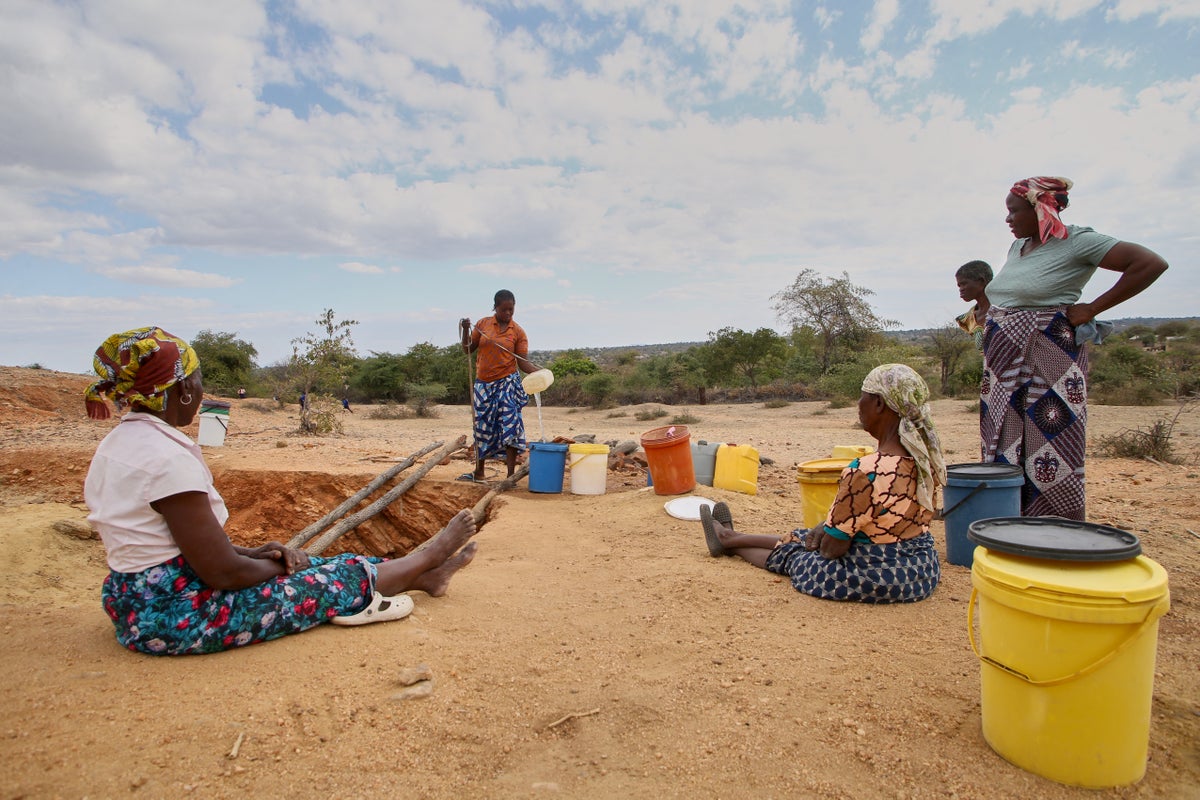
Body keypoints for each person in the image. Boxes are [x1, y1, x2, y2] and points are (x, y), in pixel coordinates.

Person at [83, 326, 479, 655]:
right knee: (328, 578)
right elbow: (223, 572)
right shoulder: (165, 459)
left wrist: (253, 553)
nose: (202, 391)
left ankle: (425, 575)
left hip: (137, 600)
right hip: (179, 614)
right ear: (182, 388)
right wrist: (277, 566)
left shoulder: (120, 444)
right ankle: (427, 557)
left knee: (317, 562)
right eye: (198, 380)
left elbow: (167, 543)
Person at [982, 176, 1168, 519]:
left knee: (1048, 437)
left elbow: (1150, 263)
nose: (1007, 219)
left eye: (1013, 211)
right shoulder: (1018, 248)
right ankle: (1007, 514)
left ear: (1039, 209)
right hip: (1004, 363)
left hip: (1048, 355)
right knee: (1004, 433)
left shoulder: (1078, 241)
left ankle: (1054, 521)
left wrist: (1093, 308)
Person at [700, 364, 946, 604]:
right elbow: (887, 515)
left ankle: (729, 544)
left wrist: (830, 530)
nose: (859, 405)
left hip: (875, 575)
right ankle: (731, 537)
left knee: (797, 554)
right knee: (809, 534)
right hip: (919, 568)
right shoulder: (926, 461)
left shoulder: (865, 470)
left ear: (880, 404)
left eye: (863, 398)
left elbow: (832, 550)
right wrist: (829, 525)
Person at [458, 289, 536, 482]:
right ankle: (480, 471)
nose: (508, 313)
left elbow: (522, 362)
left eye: (511, 309)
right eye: (504, 310)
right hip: (483, 385)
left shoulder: (517, 331)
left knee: (510, 425)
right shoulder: (483, 324)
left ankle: (510, 476)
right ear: (495, 307)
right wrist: (466, 330)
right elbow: (468, 350)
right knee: (482, 426)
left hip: (507, 383)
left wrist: (540, 373)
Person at [954, 260, 993, 351]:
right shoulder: (969, 318)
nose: (961, 289)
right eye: (959, 286)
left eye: (964, 284)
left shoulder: (1005, 310)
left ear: (981, 281)